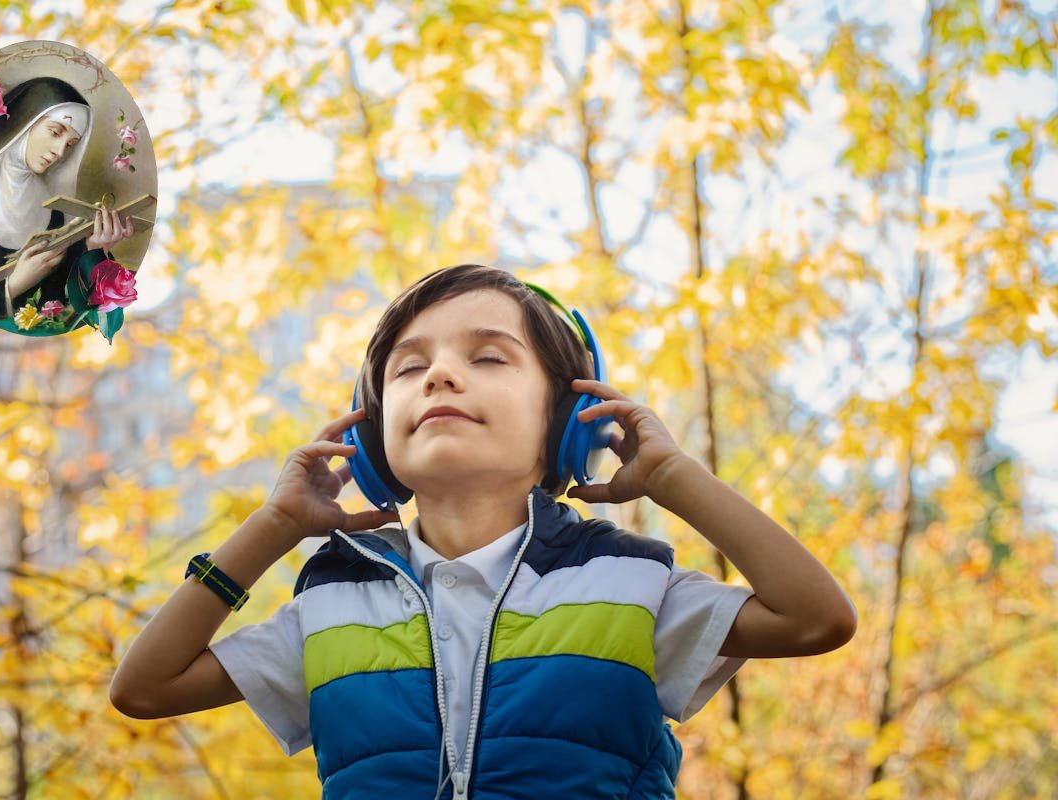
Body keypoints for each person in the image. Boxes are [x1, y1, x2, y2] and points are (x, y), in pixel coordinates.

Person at [109, 265, 858, 799]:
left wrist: (672, 477)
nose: (439, 375)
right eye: (409, 369)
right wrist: (274, 528)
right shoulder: (331, 607)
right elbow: (144, 687)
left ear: (568, 422)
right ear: (370, 442)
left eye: (489, 356)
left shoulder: (629, 586)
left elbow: (815, 618)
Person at [0, 76, 133, 323]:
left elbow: (58, 307)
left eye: (70, 144)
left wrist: (94, 249)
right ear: (25, 120)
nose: (59, 151)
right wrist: (13, 286)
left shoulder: (53, 213)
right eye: (55, 132)